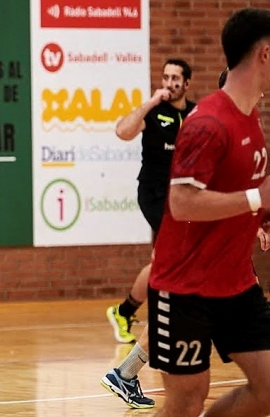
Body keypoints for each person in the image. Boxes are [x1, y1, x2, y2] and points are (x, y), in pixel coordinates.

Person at [139, 9, 270, 417]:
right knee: (185, 403)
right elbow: (182, 201)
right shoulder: (210, 122)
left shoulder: (249, 117)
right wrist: (256, 197)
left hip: (233, 284)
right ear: (263, 54)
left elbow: (227, 194)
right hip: (184, 287)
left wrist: (259, 214)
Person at [102, 67, 270, 410]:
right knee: (210, 321)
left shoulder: (246, 125)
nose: (264, 89)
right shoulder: (213, 125)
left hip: (220, 242)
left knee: (222, 308)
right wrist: (256, 209)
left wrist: (259, 218)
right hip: (197, 243)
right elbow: (205, 194)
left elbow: (234, 190)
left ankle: (126, 372)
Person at [107, 59, 196, 344]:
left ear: (186, 83)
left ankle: (124, 311)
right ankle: (168, 319)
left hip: (183, 198)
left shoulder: (195, 113)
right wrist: (149, 102)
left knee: (164, 260)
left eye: (175, 78)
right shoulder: (155, 111)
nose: (169, 83)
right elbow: (123, 131)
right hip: (154, 194)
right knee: (175, 253)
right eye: (165, 77)